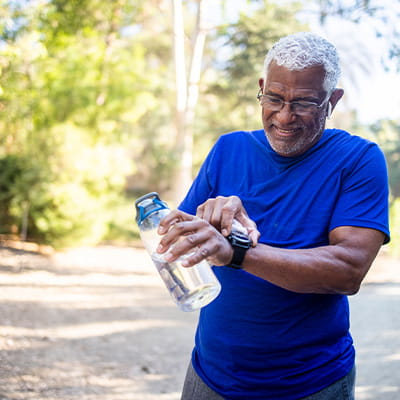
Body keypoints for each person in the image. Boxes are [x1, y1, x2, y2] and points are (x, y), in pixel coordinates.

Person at [156, 32, 390, 400]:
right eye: (274, 99)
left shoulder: (359, 160)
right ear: (262, 88)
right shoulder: (228, 148)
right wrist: (207, 226)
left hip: (311, 384)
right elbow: (175, 244)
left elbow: (347, 270)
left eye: (304, 103)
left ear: (333, 100)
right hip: (210, 376)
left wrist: (235, 250)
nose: (284, 116)